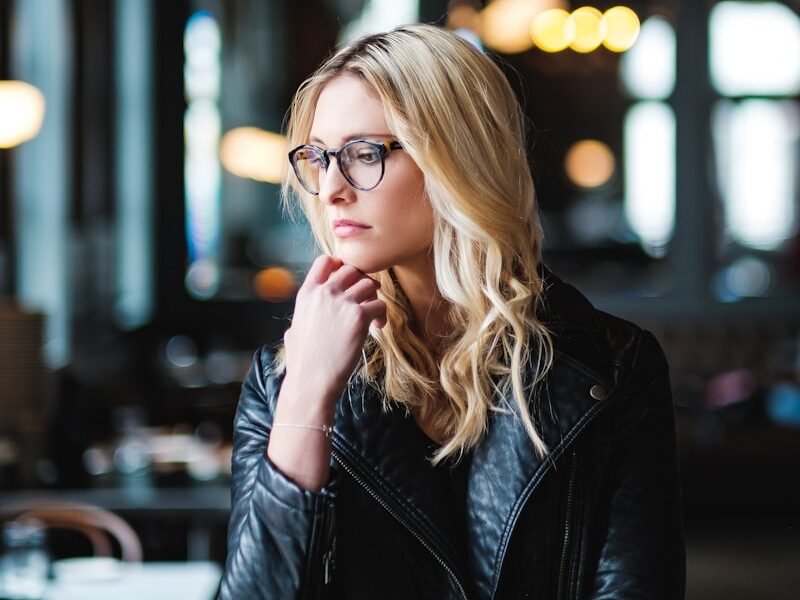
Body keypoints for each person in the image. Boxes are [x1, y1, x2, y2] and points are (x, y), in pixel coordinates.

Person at [219, 23, 685, 600]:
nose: (333, 187)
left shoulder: (612, 369)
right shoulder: (280, 380)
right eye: (318, 157)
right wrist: (308, 391)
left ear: (458, 159)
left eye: (364, 154)